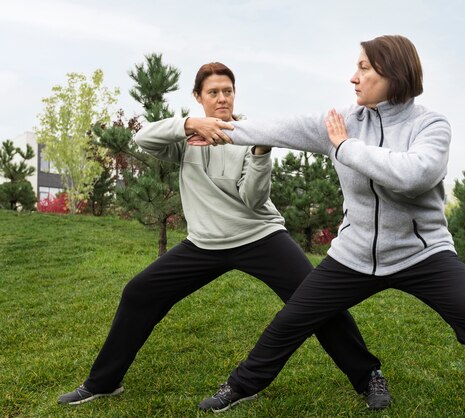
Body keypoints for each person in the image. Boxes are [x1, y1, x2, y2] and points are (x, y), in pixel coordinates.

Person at [188, 36, 465, 417]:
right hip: (353, 253)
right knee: (291, 320)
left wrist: (345, 147)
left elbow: (414, 175)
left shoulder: (430, 125)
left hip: (422, 253)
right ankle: (241, 385)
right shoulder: (343, 121)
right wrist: (217, 129)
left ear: (394, 72)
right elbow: (276, 128)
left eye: (364, 68)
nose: (354, 78)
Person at [57, 62, 391, 412]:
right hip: (204, 243)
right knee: (139, 292)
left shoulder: (248, 133)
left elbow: (253, 198)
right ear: (198, 97)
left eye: (227, 91)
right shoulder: (185, 139)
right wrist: (188, 124)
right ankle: (103, 382)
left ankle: (368, 376)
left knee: (315, 301)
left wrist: (261, 153)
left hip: (260, 236)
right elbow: (141, 139)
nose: (222, 98)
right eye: (213, 92)